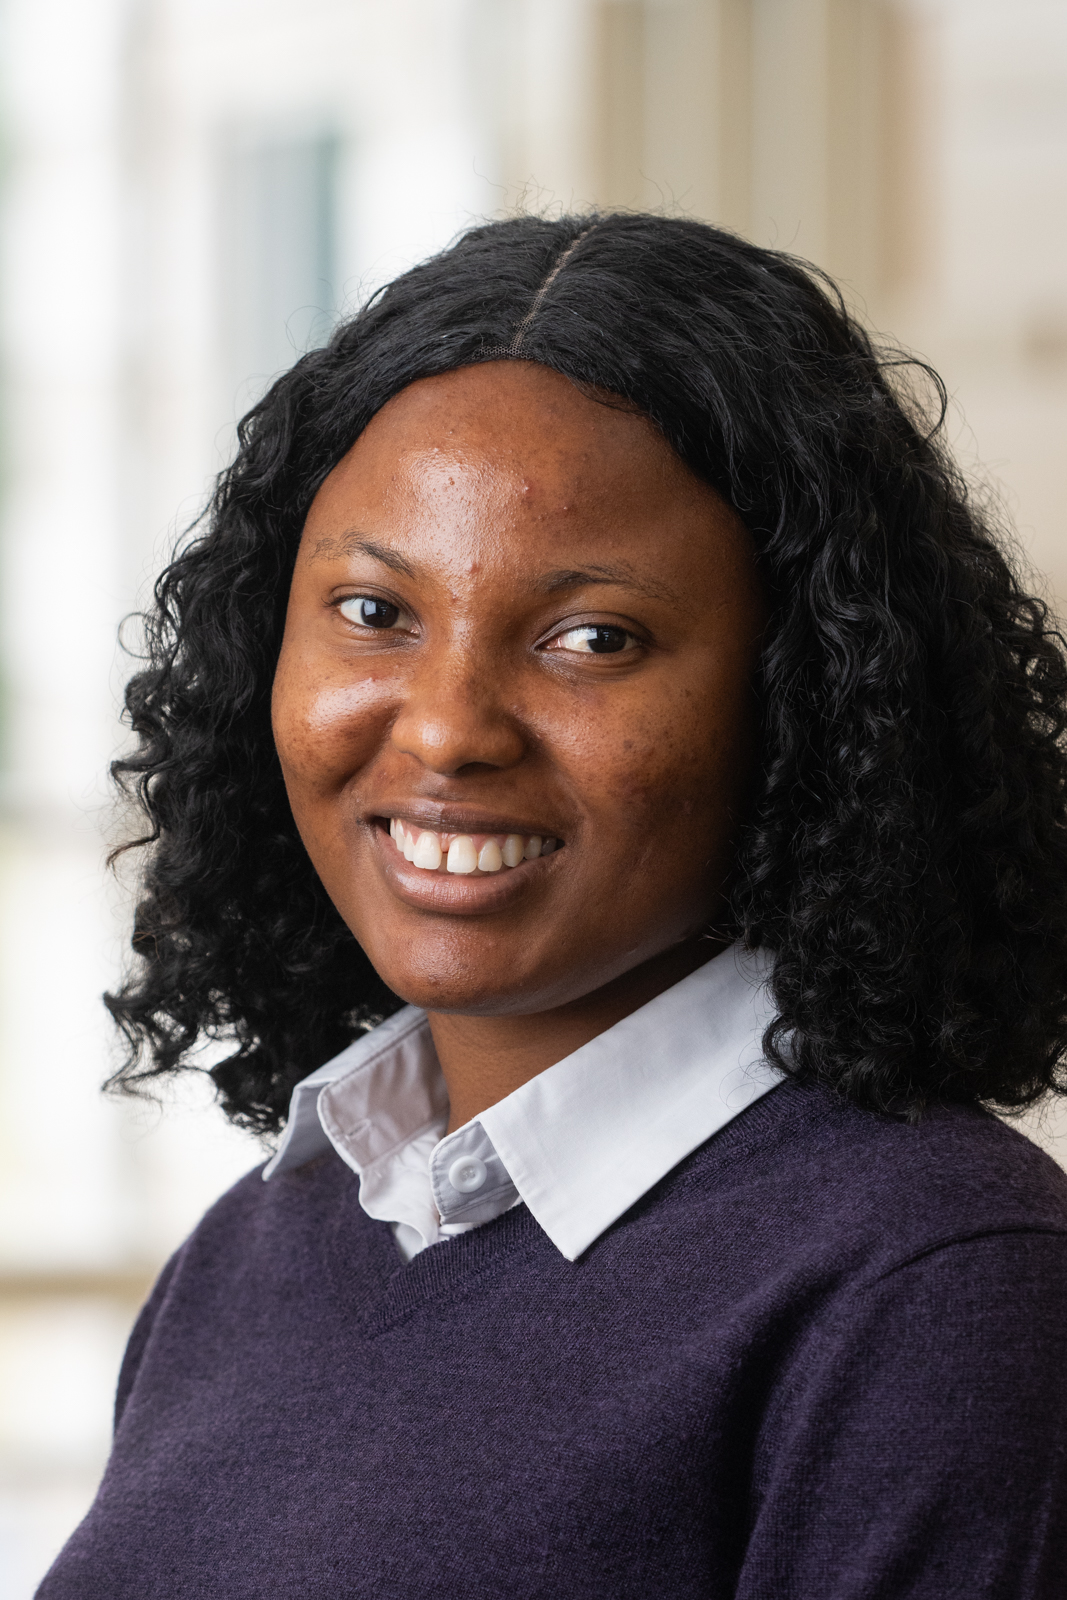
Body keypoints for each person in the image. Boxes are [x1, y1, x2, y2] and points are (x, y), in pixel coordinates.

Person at [39, 214, 1067, 1598]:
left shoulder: (935, 1288)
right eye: (371, 610)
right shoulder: (264, 1244)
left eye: (593, 638)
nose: (450, 728)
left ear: (809, 700)